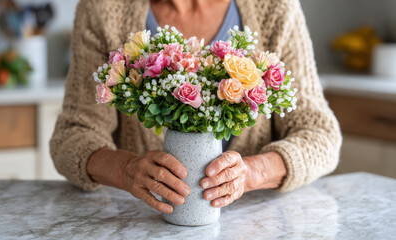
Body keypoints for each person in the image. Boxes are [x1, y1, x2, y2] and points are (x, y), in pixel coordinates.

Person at [50, 0, 342, 214]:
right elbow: (72, 135)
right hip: (144, 222)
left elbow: (321, 134)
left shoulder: (275, 8)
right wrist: (127, 169)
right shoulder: (102, 8)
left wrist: (251, 173)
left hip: (254, 223)